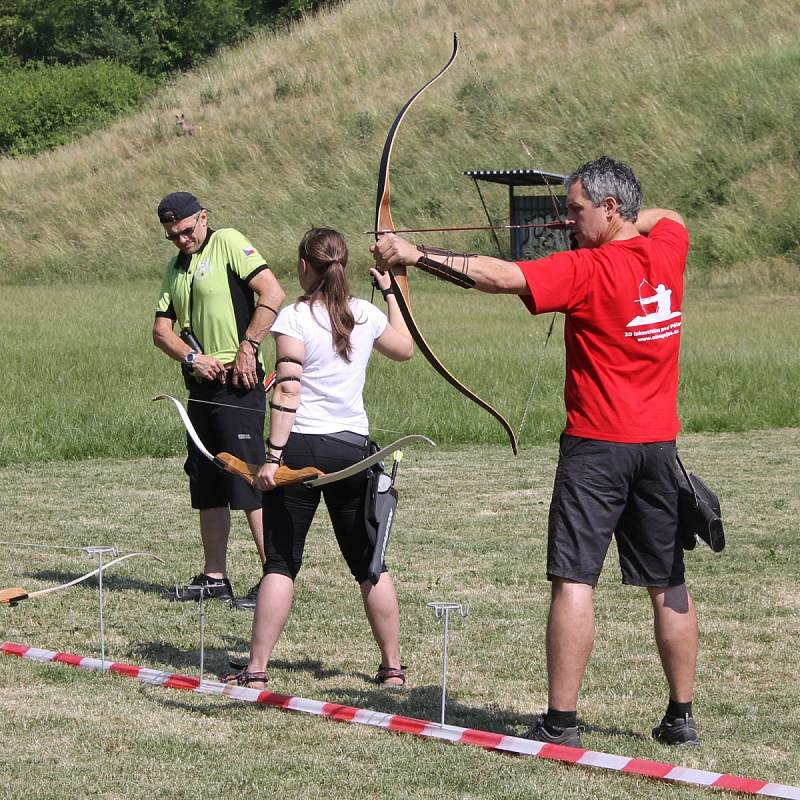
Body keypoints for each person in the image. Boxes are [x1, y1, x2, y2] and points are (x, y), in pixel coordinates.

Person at [372, 156, 699, 746]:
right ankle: (681, 716)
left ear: (612, 207)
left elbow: (502, 277)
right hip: (658, 446)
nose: (567, 221)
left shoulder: (590, 268)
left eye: (576, 211)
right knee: (667, 581)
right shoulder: (668, 249)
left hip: (598, 447)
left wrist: (414, 255)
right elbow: (670, 216)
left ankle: (563, 723)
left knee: (574, 580)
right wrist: (621, 229)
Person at [223, 227, 413, 689]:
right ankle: (392, 669)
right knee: (369, 563)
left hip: (302, 450)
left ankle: (256, 670)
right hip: (351, 449)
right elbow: (405, 348)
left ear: (305, 267)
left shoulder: (293, 318)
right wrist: (391, 294)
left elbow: (289, 387)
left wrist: (272, 457)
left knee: (281, 563)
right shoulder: (364, 313)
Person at [153, 191, 285, 609]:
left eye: (186, 231)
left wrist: (248, 347)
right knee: (206, 481)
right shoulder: (175, 267)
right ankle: (215, 577)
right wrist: (191, 357)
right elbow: (161, 330)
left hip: (239, 381)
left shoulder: (227, 241)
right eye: (172, 235)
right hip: (202, 388)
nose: (181, 240)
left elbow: (273, 294)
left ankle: (274, 576)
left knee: (248, 479)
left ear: (203, 218)